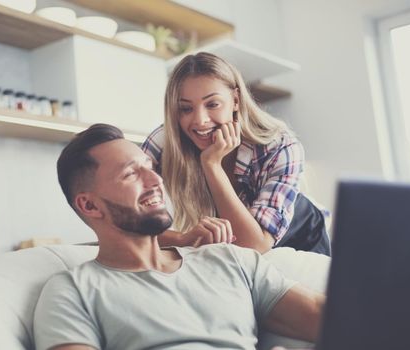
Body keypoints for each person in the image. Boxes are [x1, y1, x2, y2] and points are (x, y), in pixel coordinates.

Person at [34, 123, 324, 350]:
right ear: (89, 205)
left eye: (148, 167)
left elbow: (331, 319)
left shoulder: (229, 259)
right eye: (131, 174)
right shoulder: (73, 291)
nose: (156, 180)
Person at [142, 52, 330, 255]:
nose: (200, 120)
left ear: (236, 100)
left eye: (212, 104)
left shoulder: (280, 147)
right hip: (233, 251)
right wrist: (183, 239)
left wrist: (212, 165)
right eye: (186, 109)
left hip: (300, 237)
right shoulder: (165, 142)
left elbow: (253, 246)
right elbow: (126, 223)